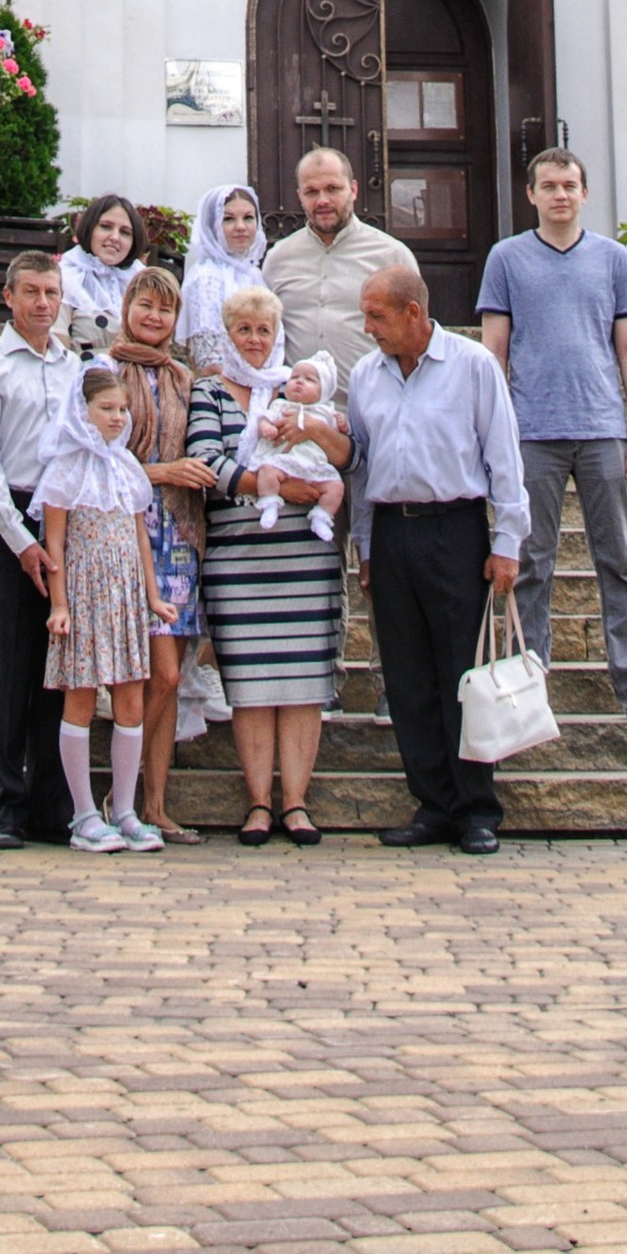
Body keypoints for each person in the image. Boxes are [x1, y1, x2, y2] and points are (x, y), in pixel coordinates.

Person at [477, 147, 627, 728]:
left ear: (585, 193)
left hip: (601, 430)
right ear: (531, 194)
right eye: (549, 185)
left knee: (618, 560)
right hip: (533, 433)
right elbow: (493, 353)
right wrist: (493, 438)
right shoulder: (506, 259)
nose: (560, 194)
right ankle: (528, 677)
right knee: (531, 561)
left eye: (570, 184)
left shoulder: (613, 259)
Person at [347, 263, 527, 853]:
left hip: (456, 531)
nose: (367, 325)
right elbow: (363, 467)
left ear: (413, 314)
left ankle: (477, 809)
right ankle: (432, 805)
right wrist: (368, 547)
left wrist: (507, 543)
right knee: (407, 677)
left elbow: (503, 454)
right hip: (394, 536)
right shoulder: (365, 375)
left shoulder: (472, 366)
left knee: (462, 675)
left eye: (376, 315)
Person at [186, 279, 349, 846]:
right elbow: (205, 460)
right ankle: (259, 803)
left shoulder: (301, 390)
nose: (255, 340)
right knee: (251, 680)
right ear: (227, 335)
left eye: (264, 330)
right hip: (238, 554)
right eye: (244, 330)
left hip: (304, 549)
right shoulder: (208, 390)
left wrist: (313, 450)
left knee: (302, 678)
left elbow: (345, 453)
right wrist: (266, 483)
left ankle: (297, 803)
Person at [0, 250, 85, 847]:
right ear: (8, 297)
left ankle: (50, 807)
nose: (42, 303)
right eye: (30, 292)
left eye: (51, 293)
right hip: (8, 516)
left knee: (57, 671)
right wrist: (19, 542)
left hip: (62, 517)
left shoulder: (74, 366)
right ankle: (4, 803)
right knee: (5, 668)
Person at [38, 359, 176, 853]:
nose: (117, 417)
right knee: (79, 696)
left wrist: (153, 596)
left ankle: (124, 809)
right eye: (106, 408)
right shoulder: (66, 469)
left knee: (131, 699)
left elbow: (140, 536)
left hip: (123, 599)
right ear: (83, 411)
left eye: (122, 409)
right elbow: (54, 544)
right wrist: (59, 603)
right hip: (84, 595)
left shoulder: (127, 468)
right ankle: (82, 814)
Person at [108, 260, 219, 840]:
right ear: (127, 307)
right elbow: (98, 459)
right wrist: (164, 470)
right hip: (125, 532)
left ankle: (152, 804)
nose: (154, 316)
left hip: (178, 534)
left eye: (165, 308)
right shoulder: (104, 371)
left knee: (168, 677)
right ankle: (118, 797)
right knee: (159, 673)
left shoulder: (184, 377)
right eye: (145, 305)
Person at [263, 148, 421, 368]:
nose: (322, 200)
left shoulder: (392, 257)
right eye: (311, 192)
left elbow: (416, 337)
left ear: (353, 190)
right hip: (295, 400)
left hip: (372, 400)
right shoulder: (277, 259)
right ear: (299, 196)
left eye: (333, 189)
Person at [231, 348, 346, 541]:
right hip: (284, 461)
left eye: (309, 380)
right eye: (295, 377)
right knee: (267, 470)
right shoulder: (280, 405)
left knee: (336, 486)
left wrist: (343, 423)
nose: (299, 381)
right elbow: (264, 419)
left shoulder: (327, 412)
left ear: (323, 391)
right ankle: (269, 503)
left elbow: (341, 435)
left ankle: (322, 516)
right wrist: (266, 427)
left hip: (314, 465)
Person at [179, 183, 269, 371]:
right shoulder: (207, 277)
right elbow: (209, 359)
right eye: (228, 219)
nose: (241, 227)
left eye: (248, 218)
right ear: (213, 225)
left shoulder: (252, 274)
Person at [58, 193, 142, 346]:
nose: (115, 237)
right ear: (90, 229)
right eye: (105, 226)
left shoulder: (141, 280)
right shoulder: (66, 275)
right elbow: (56, 350)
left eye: (125, 232)